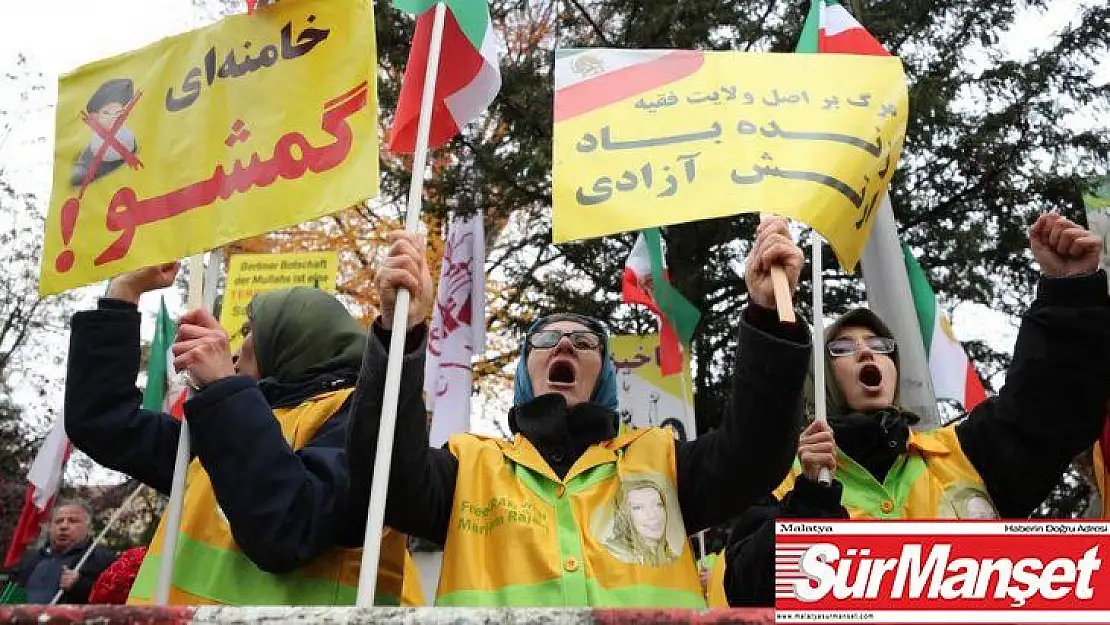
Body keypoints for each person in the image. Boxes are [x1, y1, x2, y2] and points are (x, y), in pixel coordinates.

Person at [345, 217, 812, 607]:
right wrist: (398, 333)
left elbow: (757, 453)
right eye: (546, 339)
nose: (565, 343)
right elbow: (385, 474)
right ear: (526, 373)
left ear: (604, 375)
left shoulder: (663, 462)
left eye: (586, 342)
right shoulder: (469, 466)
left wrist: (770, 315)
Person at [721, 212, 1110, 606]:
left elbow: (1049, 410)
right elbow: (745, 591)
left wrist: (1069, 292)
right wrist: (809, 504)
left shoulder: (963, 455)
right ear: (819, 377)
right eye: (841, 348)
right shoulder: (782, 480)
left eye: (880, 346)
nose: (865, 352)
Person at [64, 264, 418, 606]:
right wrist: (123, 294)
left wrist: (224, 388)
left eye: (249, 331)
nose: (233, 350)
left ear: (291, 339)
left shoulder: (364, 418)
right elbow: (102, 422)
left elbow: (287, 529)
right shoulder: (229, 420)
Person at [8, 500, 116, 604]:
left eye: (73, 521)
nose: (63, 526)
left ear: (88, 528)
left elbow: (116, 598)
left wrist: (80, 585)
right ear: (50, 527)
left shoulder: (103, 560)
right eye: (58, 521)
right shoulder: (29, 559)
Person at [70, 78, 138, 188]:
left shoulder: (128, 138)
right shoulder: (93, 147)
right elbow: (79, 174)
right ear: (96, 117)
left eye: (118, 112)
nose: (113, 118)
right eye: (106, 113)